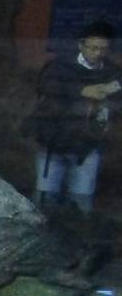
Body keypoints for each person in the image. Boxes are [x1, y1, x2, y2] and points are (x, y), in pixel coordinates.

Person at [31, 20, 120, 215]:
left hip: (87, 145)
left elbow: (118, 97)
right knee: (45, 197)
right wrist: (82, 90)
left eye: (103, 49)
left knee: (81, 199)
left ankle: (78, 238)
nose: (97, 53)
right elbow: (48, 86)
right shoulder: (59, 66)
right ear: (81, 45)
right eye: (93, 47)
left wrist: (110, 95)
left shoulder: (112, 72)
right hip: (53, 141)